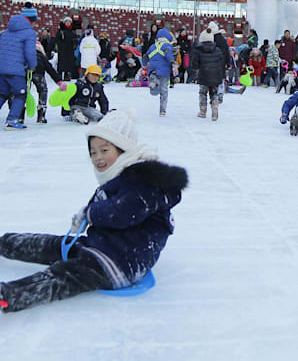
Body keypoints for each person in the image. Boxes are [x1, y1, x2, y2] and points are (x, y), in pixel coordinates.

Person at [0, 110, 188, 312]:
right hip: (103, 246)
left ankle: (8, 295)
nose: (98, 157)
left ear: (123, 148)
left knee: (65, 275)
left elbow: (123, 213)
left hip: (120, 263)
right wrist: (87, 213)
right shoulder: (123, 177)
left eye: (104, 150)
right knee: (55, 245)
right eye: (93, 152)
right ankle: (4, 243)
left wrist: (89, 213)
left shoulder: (143, 181)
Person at [0, 4, 37, 130]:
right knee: (20, 94)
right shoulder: (30, 33)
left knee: (2, 93)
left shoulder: (6, 31)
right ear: (31, 20)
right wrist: (32, 65)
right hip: (16, 70)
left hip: (1, 68)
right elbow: (30, 52)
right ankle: (12, 120)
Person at [191, 29, 225, 121]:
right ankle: (215, 105)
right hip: (216, 74)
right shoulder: (217, 50)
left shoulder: (198, 50)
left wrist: (196, 69)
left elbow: (194, 64)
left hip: (203, 74)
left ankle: (203, 111)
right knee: (214, 92)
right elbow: (222, 62)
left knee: (203, 93)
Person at [32, 41, 66, 124]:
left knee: (22, 94)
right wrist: (59, 81)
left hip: (26, 74)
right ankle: (41, 116)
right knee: (43, 91)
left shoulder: (24, 54)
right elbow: (50, 69)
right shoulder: (41, 56)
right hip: (39, 75)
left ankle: (19, 115)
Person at [146, 28, 176, 116]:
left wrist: (144, 64)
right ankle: (162, 110)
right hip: (164, 70)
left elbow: (146, 57)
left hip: (153, 69)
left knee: (154, 92)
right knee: (164, 90)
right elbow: (168, 54)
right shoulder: (167, 46)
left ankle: (154, 83)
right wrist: (172, 62)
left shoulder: (152, 46)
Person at [56, 16, 77, 81]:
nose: (68, 23)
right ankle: (59, 75)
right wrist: (61, 46)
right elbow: (57, 39)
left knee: (69, 64)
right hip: (62, 49)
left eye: (69, 22)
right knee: (61, 63)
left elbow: (75, 39)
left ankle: (66, 75)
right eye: (67, 21)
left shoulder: (73, 31)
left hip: (70, 50)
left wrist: (74, 44)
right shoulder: (61, 30)